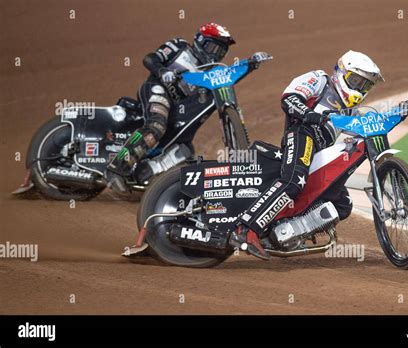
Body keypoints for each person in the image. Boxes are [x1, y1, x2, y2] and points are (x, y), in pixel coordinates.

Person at [230, 50, 384, 260]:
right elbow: (289, 99)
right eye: (355, 80)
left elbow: (364, 130)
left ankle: (286, 232)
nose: (359, 88)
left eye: (364, 85)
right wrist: (309, 114)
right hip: (302, 133)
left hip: (319, 153)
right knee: (293, 182)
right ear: (341, 73)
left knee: (342, 203)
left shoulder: (351, 111)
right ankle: (245, 230)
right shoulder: (320, 80)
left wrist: (400, 112)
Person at [106, 23, 241, 192]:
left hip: (176, 107)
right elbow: (150, 58)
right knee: (156, 126)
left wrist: (251, 64)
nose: (215, 54)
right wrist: (162, 71)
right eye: (212, 47)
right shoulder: (180, 46)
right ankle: (116, 168)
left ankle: (145, 174)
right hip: (157, 88)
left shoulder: (208, 74)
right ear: (200, 40)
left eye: (220, 51)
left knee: (185, 150)